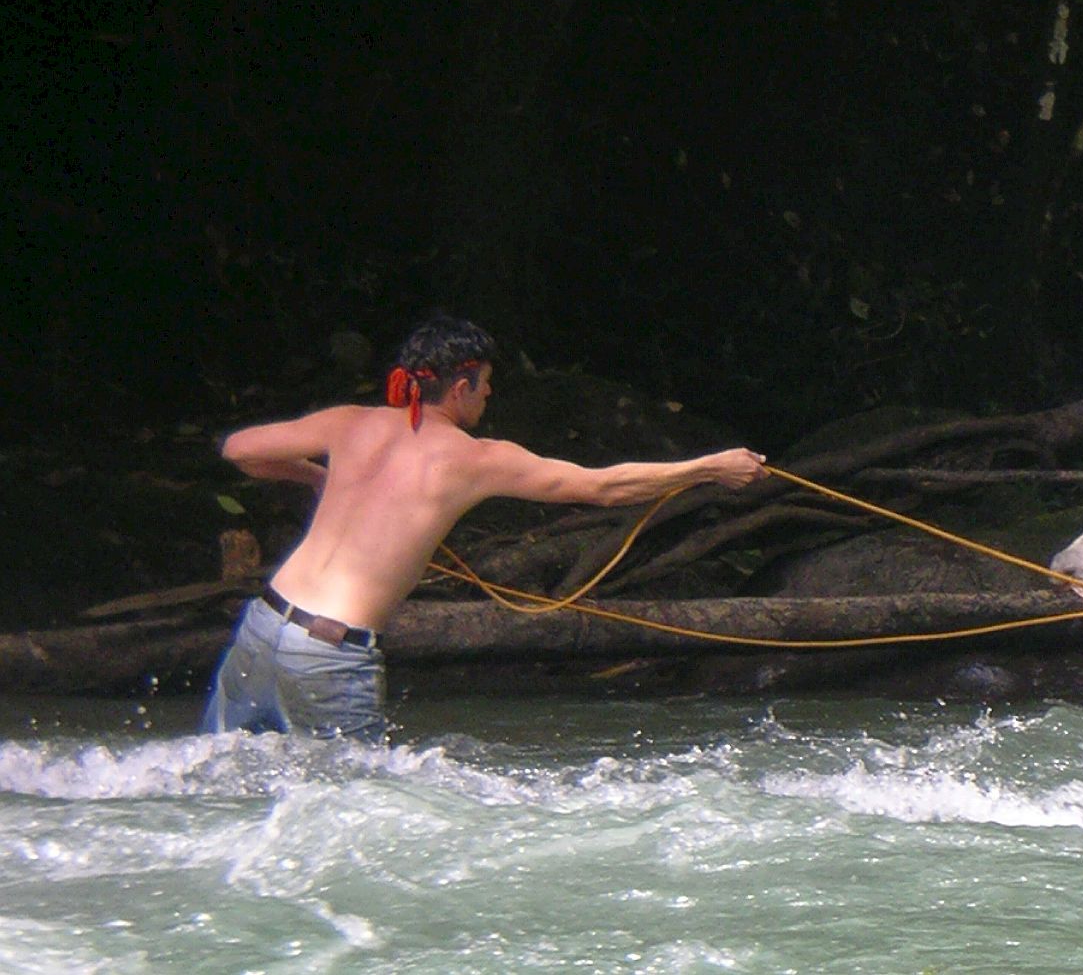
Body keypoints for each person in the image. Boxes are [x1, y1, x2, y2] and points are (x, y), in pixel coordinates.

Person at [201, 316, 768, 742]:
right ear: (460, 387)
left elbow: (240, 450)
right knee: (363, 821)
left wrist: (318, 478)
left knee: (219, 787)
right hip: (328, 654)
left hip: (262, 626)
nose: (491, 394)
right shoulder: (474, 458)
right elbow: (601, 488)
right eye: (486, 383)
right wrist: (708, 468)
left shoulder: (349, 424)